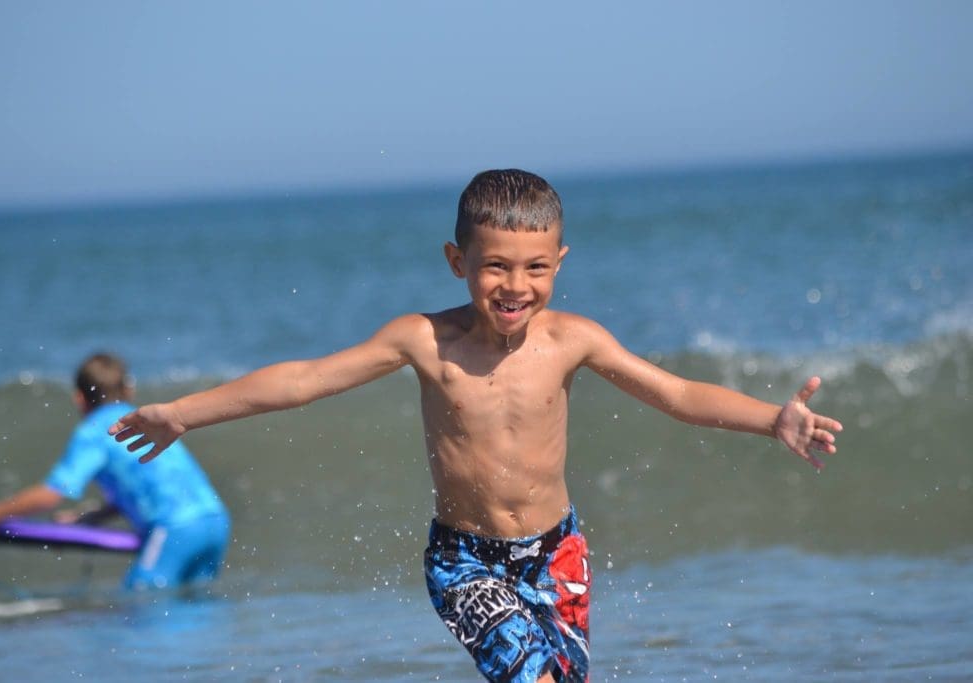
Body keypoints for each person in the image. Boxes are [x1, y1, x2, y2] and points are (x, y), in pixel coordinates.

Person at [108, 170, 843, 682]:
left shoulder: (574, 340)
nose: (516, 286)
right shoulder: (424, 341)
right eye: (495, 266)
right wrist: (182, 413)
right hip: (465, 562)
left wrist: (771, 419)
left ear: (559, 262)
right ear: (457, 260)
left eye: (535, 268)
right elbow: (302, 380)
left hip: (559, 555)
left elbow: (676, 392)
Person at [0, 352, 230, 592]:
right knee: (195, 603)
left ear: (79, 399)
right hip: (215, 521)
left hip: (174, 529)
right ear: (129, 389)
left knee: (143, 602)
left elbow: (52, 494)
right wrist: (91, 517)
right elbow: (147, 488)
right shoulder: (145, 421)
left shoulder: (95, 431)